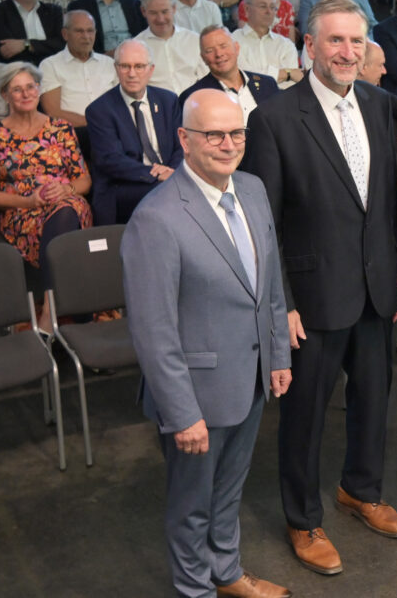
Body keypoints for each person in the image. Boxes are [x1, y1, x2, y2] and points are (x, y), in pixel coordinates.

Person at [243, 0, 397, 577]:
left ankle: (361, 490)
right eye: (335, 41)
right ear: (309, 46)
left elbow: (385, 204)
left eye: (356, 42)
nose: (346, 52)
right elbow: (264, 221)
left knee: (373, 400)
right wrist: (281, 302)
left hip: (374, 288)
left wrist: (395, 274)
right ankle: (302, 518)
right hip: (311, 297)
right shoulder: (273, 118)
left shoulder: (381, 104)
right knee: (305, 414)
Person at [122, 89, 293, 598]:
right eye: (213, 134)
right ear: (184, 140)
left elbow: (270, 283)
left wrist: (278, 353)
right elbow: (153, 331)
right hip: (196, 395)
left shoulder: (254, 189)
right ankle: (195, 588)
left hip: (252, 379)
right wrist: (181, 413)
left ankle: (227, 573)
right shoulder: (157, 218)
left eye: (236, 133)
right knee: (191, 504)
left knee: (228, 492)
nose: (227, 144)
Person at [0, 62, 93, 332]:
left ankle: (49, 310)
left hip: (66, 203)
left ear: (39, 89)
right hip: (21, 213)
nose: (26, 94)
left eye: (31, 87)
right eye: (17, 89)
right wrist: (29, 201)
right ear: (4, 95)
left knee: (69, 208)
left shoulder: (61, 128)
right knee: (65, 223)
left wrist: (66, 189)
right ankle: (80, 320)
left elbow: (84, 180)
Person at [85, 40, 183, 224]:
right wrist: (156, 174)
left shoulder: (168, 100)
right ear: (116, 68)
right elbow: (111, 160)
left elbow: (183, 146)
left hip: (170, 178)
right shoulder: (99, 110)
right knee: (171, 195)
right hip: (125, 186)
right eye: (125, 66)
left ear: (151, 70)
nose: (132, 74)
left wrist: (172, 173)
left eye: (139, 66)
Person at [179, 25, 279, 124]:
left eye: (223, 46)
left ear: (237, 48)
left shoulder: (267, 84)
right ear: (203, 58)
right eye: (210, 51)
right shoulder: (194, 97)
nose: (219, 54)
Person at [39, 10, 118, 133]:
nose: (86, 37)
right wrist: (98, 123)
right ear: (65, 34)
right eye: (79, 31)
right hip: (72, 133)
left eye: (90, 31)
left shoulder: (109, 64)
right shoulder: (50, 65)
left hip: (112, 131)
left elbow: (123, 102)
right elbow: (53, 112)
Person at [134, 0, 208, 95]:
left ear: (174, 8)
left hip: (195, 103)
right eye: (153, 13)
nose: (160, 19)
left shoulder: (194, 40)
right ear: (144, 12)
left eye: (165, 11)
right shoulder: (136, 47)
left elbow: (206, 79)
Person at [233, 0, 304, 88]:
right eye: (263, 6)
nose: (269, 12)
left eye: (272, 7)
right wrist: (287, 73)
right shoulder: (233, 40)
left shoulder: (286, 45)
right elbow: (243, 78)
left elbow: (290, 85)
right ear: (247, 9)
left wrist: (258, 76)